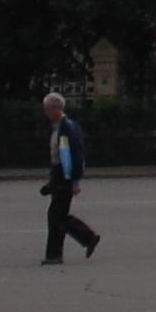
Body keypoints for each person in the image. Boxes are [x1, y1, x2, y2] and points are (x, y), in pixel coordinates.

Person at [38, 92, 100, 264]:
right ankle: (83, 240)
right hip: (60, 174)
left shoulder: (67, 128)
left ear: (57, 109)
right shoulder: (60, 127)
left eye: (48, 110)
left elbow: (75, 155)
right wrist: (52, 179)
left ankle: (57, 253)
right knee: (57, 215)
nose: (46, 113)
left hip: (65, 175)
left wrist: (74, 180)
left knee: (56, 215)